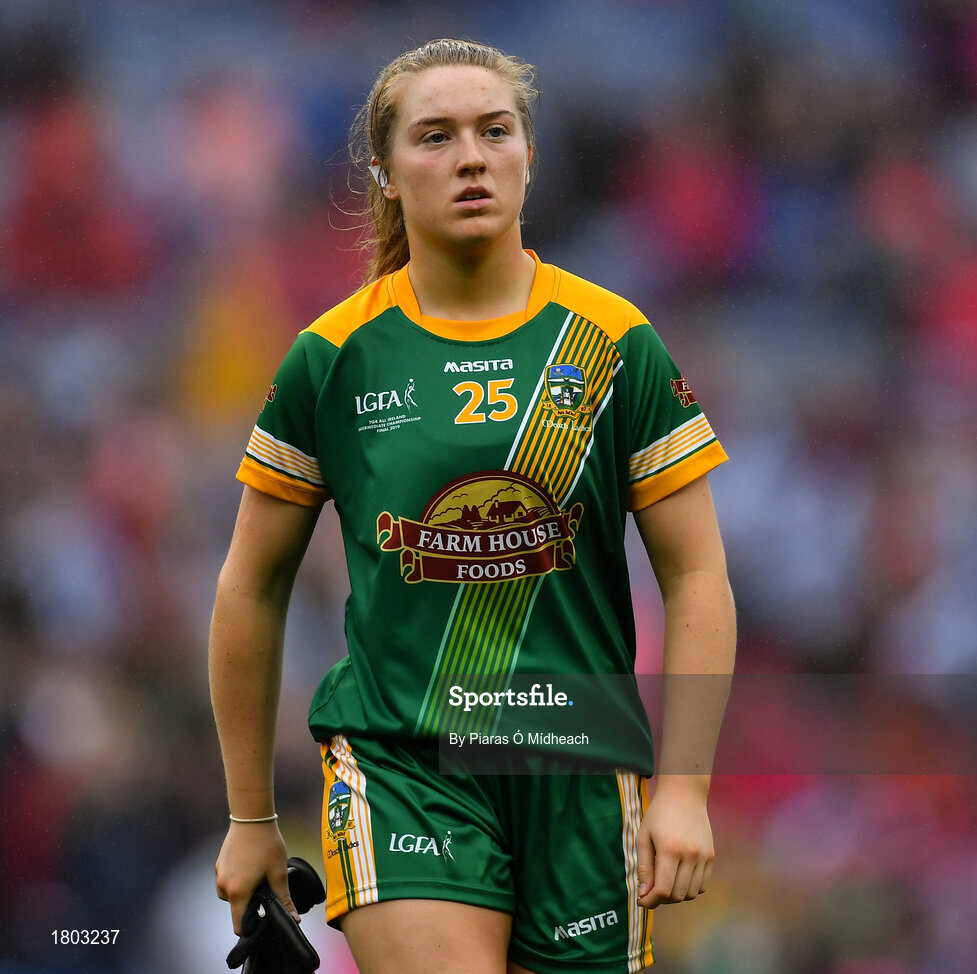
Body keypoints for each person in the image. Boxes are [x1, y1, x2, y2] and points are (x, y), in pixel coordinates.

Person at [210, 38, 736, 974]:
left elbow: (696, 573)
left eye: (495, 131)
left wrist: (684, 789)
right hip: (402, 764)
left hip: (577, 764)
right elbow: (250, 587)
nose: (469, 157)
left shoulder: (615, 341)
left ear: (529, 156)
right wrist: (250, 816)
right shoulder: (331, 359)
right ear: (384, 171)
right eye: (435, 136)